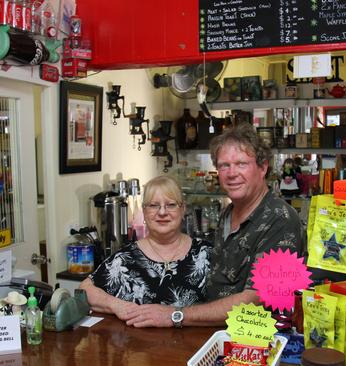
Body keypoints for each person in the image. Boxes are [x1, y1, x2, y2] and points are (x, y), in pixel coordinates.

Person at [123, 123, 304, 327]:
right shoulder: (229, 213)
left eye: (241, 164)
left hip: (255, 342)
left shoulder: (282, 219)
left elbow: (258, 298)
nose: (231, 173)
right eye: (224, 165)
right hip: (215, 333)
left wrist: (176, 315)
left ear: (262, 168)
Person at [79, 176, 211, 321]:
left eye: (171, 205)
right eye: (153, 205)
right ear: (144, 211)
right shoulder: (125, 259)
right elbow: (84, 290)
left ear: (183, 209)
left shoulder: (206, 254)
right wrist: (117, 306)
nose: (162, 212)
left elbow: (232, 305)